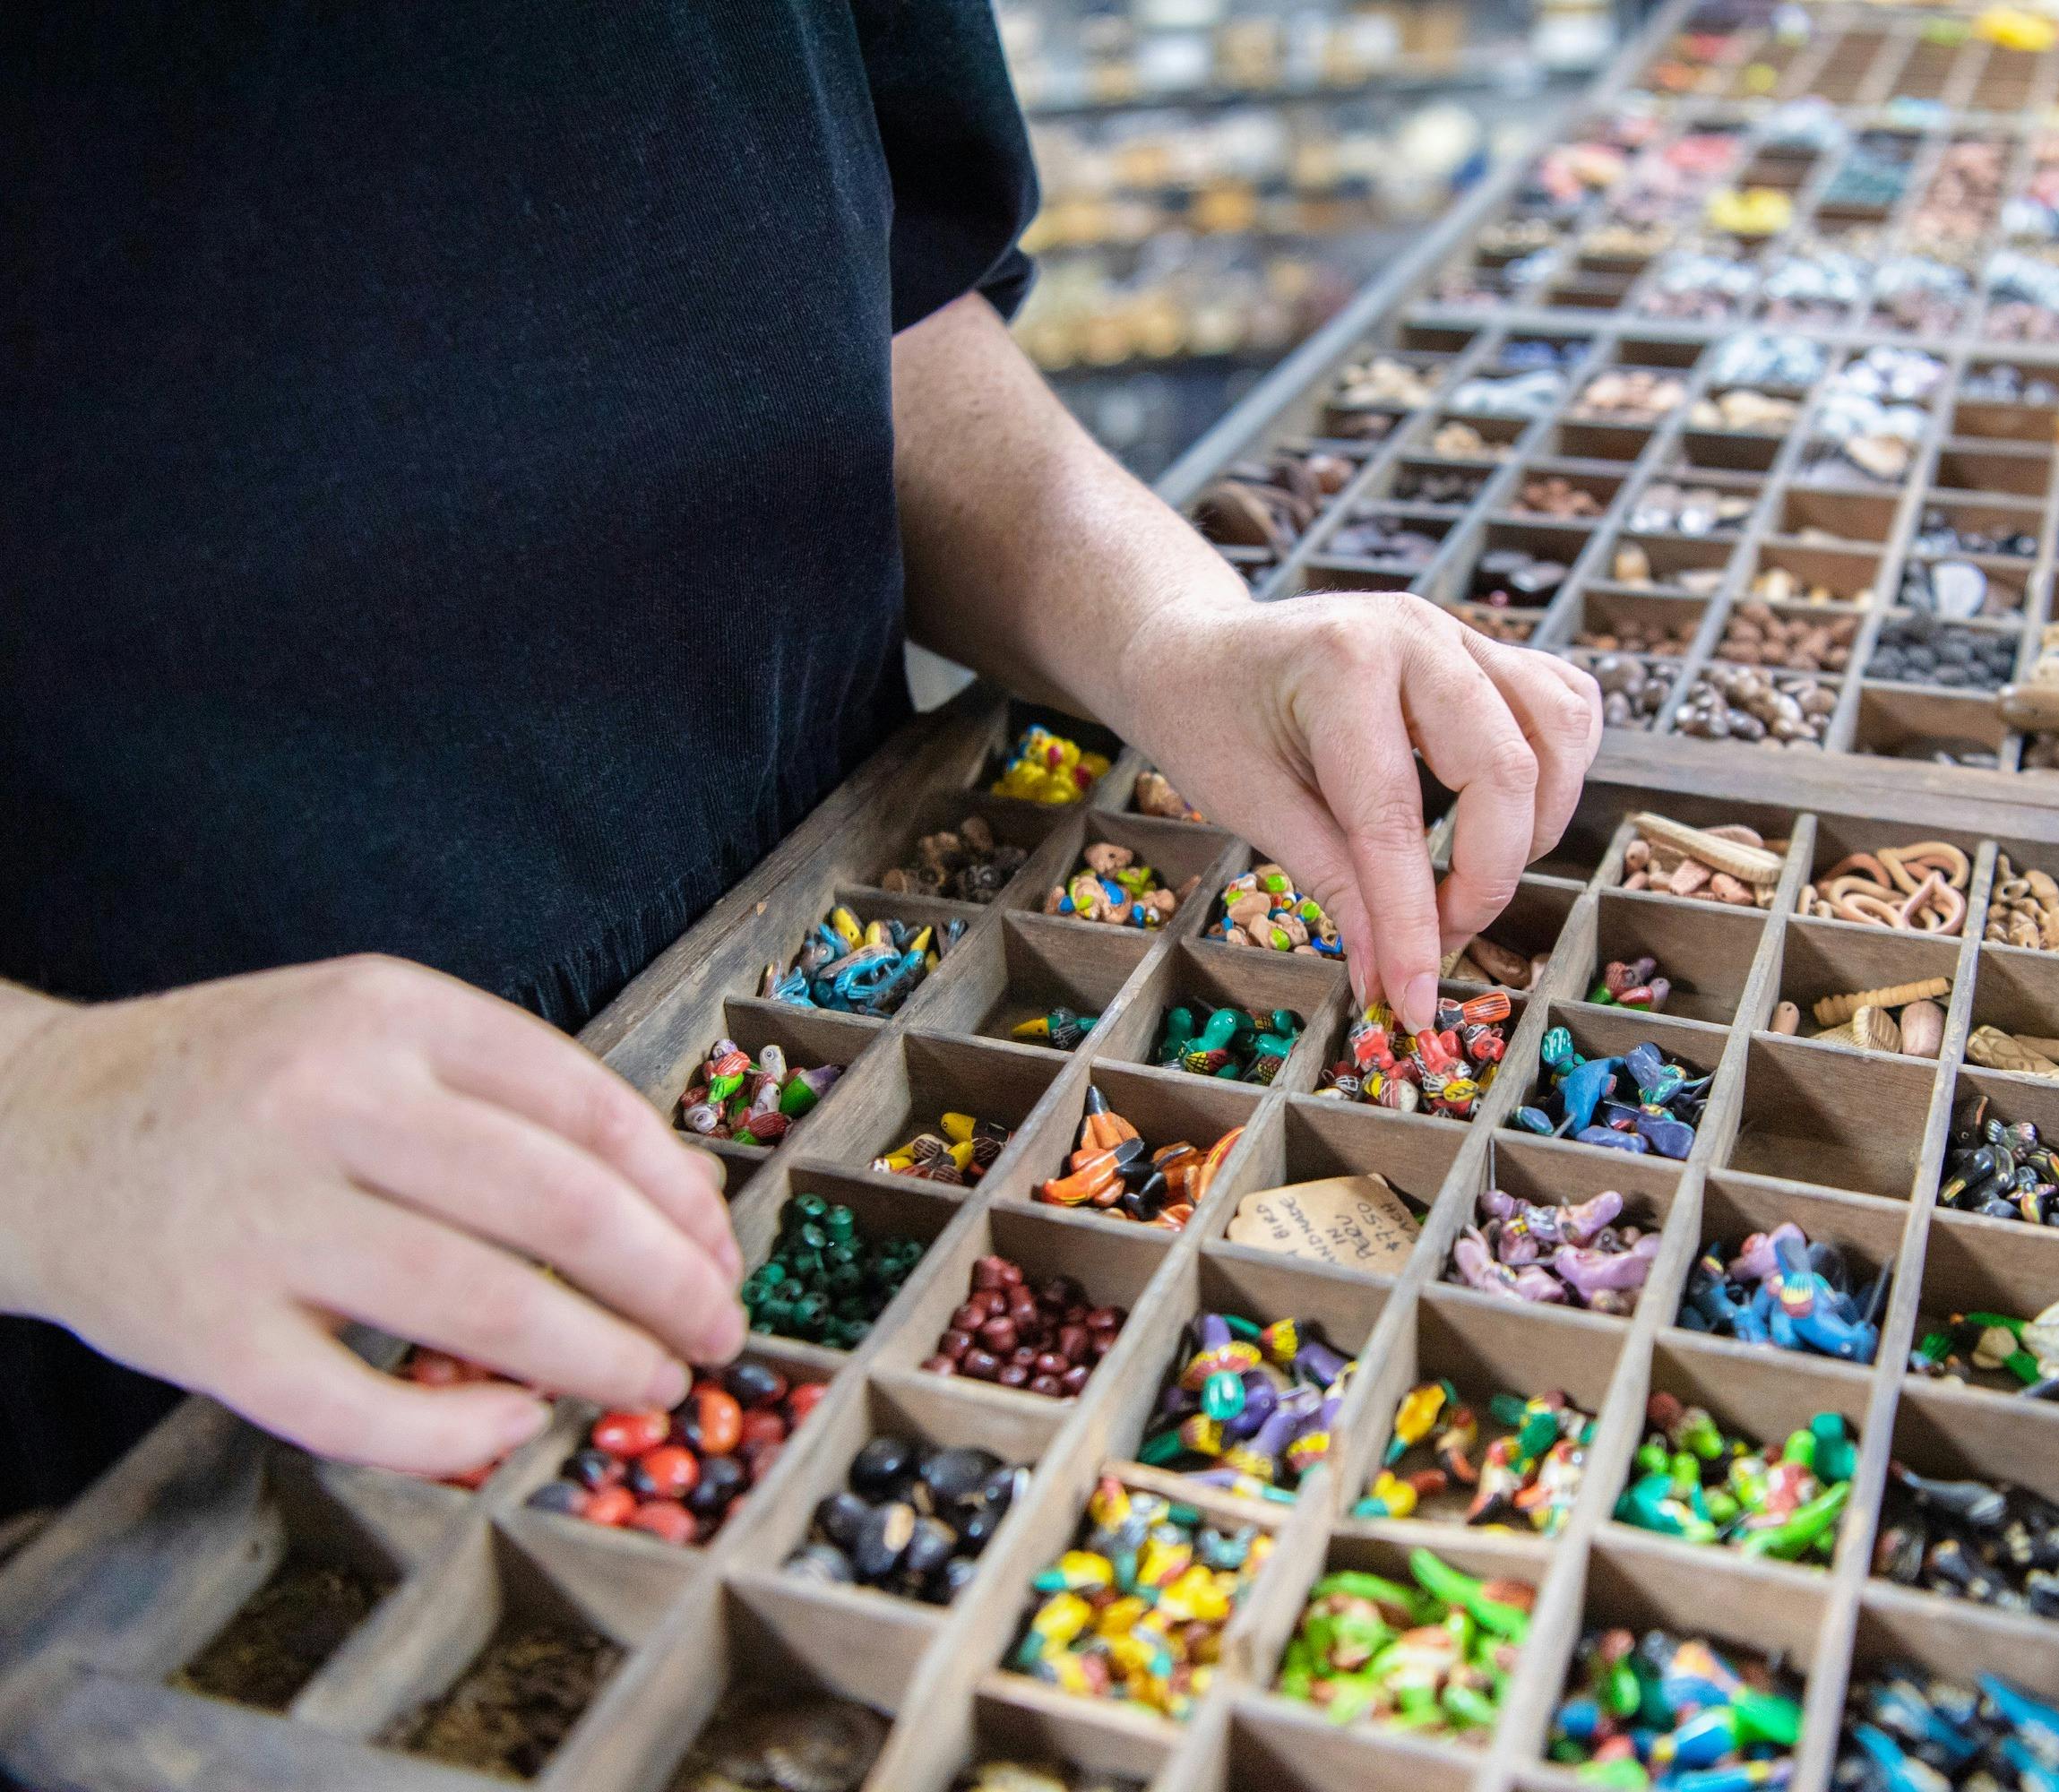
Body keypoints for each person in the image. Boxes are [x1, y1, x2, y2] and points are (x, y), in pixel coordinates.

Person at [0, 5, 1600, 1516]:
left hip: (845, 905)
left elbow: (879, 307)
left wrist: (1170, 630)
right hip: (151, 1261)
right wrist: (53, 1112)